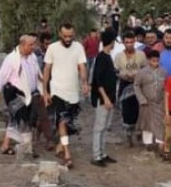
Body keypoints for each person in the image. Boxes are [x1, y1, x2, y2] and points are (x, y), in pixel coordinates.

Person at [41, 22, 87, 169]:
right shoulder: (52, 48)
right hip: (57, 91)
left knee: (69, 122)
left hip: (73, 91)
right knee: (62, 121)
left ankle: (61, 144)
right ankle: (67, 154)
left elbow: (82, 66)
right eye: (65, 36)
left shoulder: (78, 47)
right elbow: (47, 70)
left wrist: (85, 82)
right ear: (60, 34)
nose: (68, 39)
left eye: (70, 36)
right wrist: (45, 92)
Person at [89, 31, 119, 167]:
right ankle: (96, 155)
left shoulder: (107, 57)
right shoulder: (101, 58)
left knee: (106, 127)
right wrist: (105, 98)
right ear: (111, 42)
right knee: (99, 127)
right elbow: (98, 80)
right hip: (103, 99)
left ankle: (103, 153)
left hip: (110, 97)